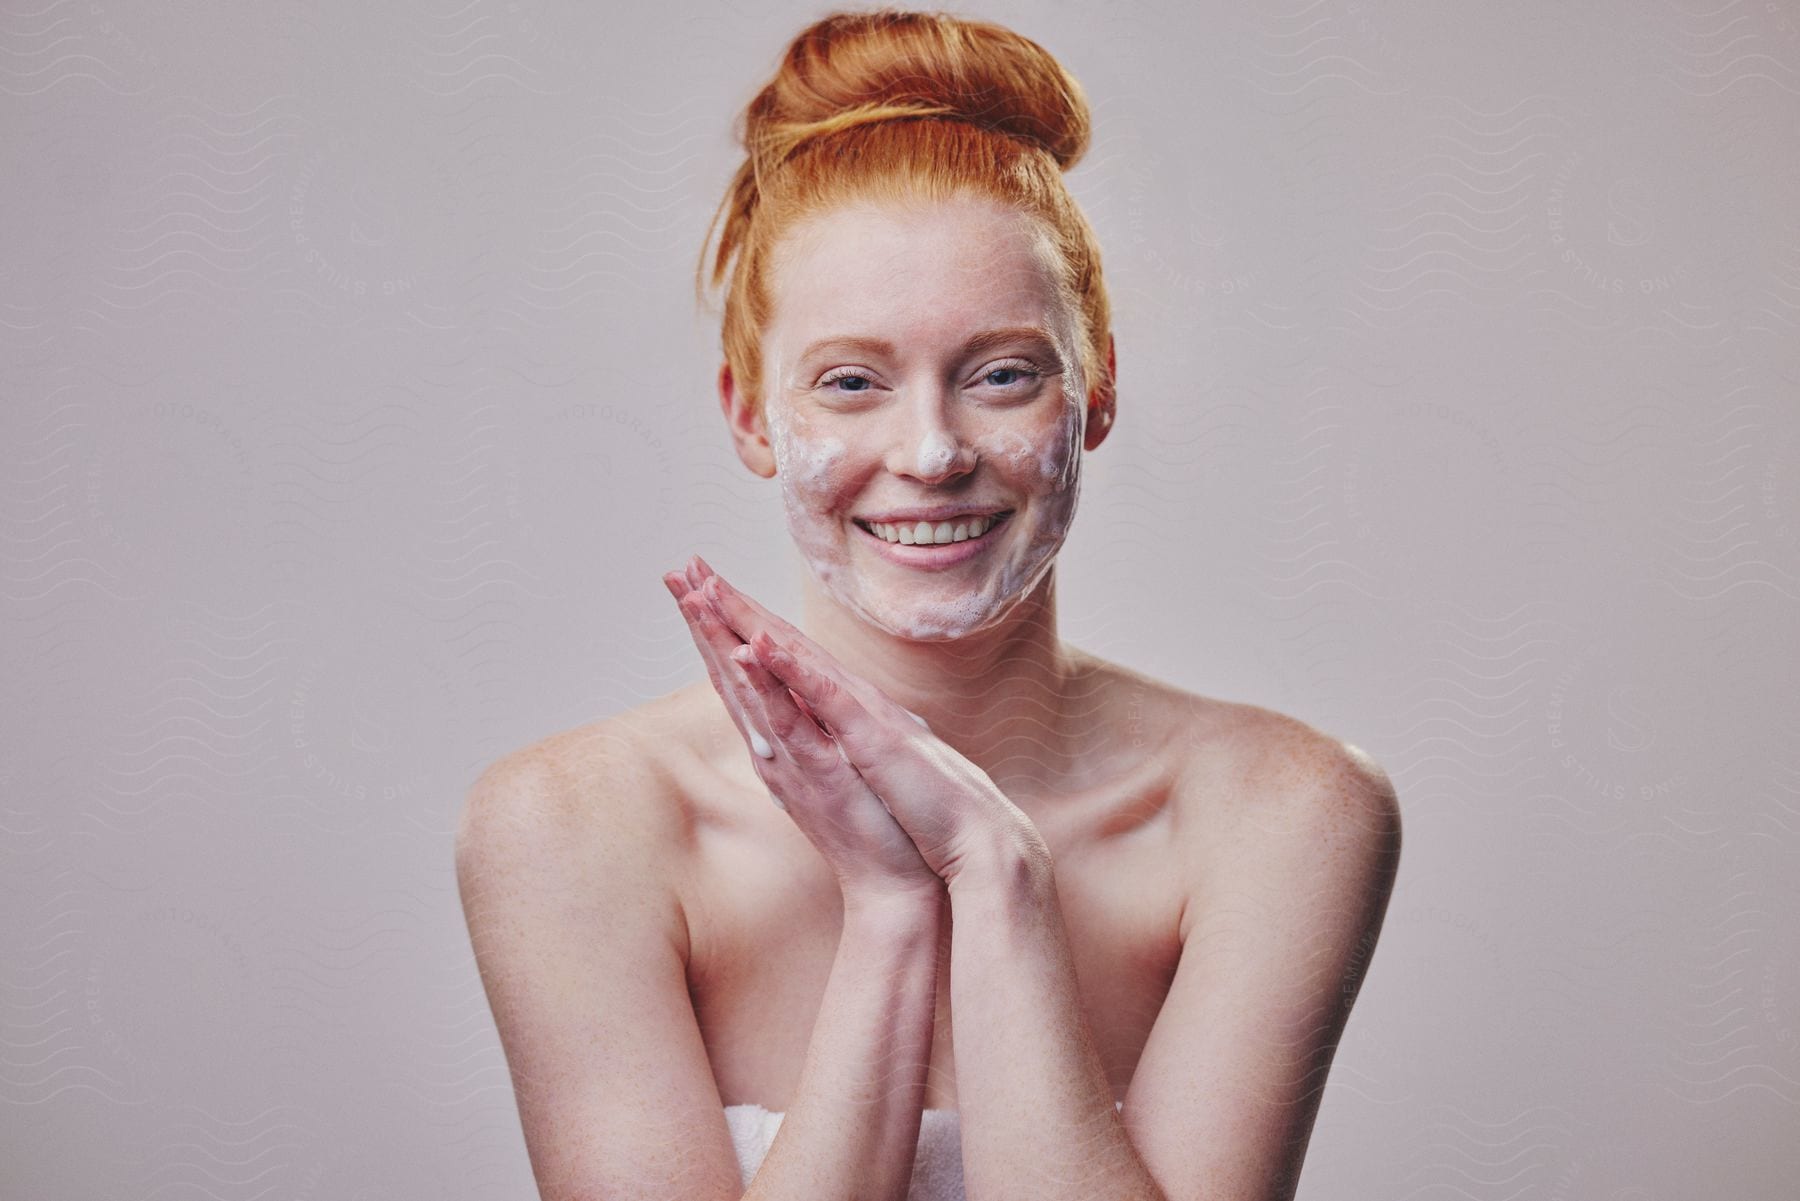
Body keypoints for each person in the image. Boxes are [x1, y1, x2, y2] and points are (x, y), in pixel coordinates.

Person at [455, 10, 1403, 1201]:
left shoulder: (1283, 811)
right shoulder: (569, 826)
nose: (932, 452)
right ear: (753, 416)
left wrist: (993, 872)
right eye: (850, 383)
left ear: (1095, 392)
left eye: (1003, 373)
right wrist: (895, 909)